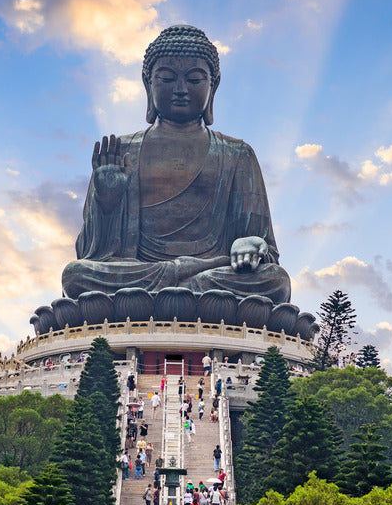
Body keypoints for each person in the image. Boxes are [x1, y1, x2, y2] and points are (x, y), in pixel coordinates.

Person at [61, 25, 291, 303]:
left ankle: (175, 290)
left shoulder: (237, 154)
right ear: (148, 84)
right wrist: (107, 202)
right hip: (143, 275)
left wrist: (252, 244)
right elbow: (90, 255)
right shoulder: (121, 151)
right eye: (167, 79)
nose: (181, 89)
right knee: (75, 275)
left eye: (194, 80)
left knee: (275, 281)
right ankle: (181, 290)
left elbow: (265, 252)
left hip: (210, 275)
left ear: (213, 85)